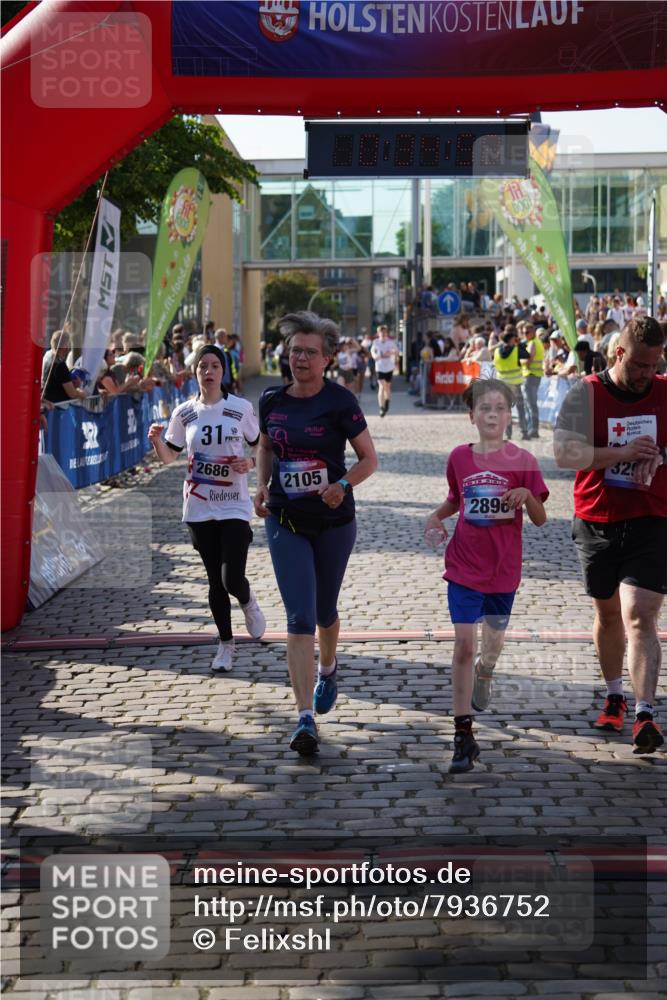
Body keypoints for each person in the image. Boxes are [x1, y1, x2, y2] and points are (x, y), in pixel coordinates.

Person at [254, 311, 378, 755]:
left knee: (325, 611)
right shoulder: (271, 399)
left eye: (309, 352)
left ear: (326, 359)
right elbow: (265, 446)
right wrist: (261, 485)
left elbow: (369, 459)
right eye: (294, 351)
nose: (300, 359)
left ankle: (329, 667)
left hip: (333, 521)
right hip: (285, 519)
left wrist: (342, 484)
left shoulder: (341, 401)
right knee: (299, 617)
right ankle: (304, 718)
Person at [554, 316, 666, 754]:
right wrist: (621, 453)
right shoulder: (586, 393)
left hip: (652, 517)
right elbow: (565, 453)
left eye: (655, 365)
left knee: (639, 613)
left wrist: (659, 456)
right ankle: (615, 693)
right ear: (619, 353)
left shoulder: (664, 390)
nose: (647, 374)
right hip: (597, 518)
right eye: (640, 365)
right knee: (608, 615)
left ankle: (645, 713)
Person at [425, 378, 548, 773]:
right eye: (484, 408)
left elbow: (541, 519)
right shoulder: (459, 458)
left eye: (499, 408)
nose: (492, 415)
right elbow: (455, 499)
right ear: (472, 416)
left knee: (491, 646)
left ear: (510, 415)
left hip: (502, 571)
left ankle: (487, 670)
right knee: (464, 645)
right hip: (463, 566)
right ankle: (463, 735)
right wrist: (435, 516)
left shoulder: (523, 460)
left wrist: (527, 496)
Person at [147, 344, 266, 674]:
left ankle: (247, 600)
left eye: (215, 365)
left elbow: (260, 445)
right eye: (203, 366)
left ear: (223, 371)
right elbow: (169, 456)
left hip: (234, 504)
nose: (209, 371)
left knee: (231, 579)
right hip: (199, 507)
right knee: (215, 580)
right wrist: (156, 441)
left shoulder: (240, 408)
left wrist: (250, 462)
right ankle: (225, 645)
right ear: (195, 372)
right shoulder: (184, 412)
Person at [493, 327, 529, 439]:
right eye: (514, 339)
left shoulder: (496, 351)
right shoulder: (516, 350)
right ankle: (524, 432)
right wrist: (519, 345)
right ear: (511, 340)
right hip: (515, 383)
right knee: (520, 408)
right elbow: (527, 355)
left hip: (502, 384)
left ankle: (508, 433)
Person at [42, 330, 88, 404]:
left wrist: (74, 385)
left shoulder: (47, 357)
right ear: (64, 346)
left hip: (48, 403)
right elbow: (72, 393)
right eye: (67, 344)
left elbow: (56, 383)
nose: (68, 348)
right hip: (58, 407)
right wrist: (82, 394)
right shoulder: (60, 364)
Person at [521, 322, 544, 438]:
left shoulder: (533, 343)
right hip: (534, 375)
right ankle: (532, 428)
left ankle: (533, 429)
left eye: (527, 332)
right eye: (523, 332)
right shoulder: (536, 342)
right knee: (530, 404)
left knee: (530, 404)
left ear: (533, 332)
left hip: (531, 375)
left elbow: (528, 361)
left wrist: (519, 361)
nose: (525, 335)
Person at [371, 324, 398, 417]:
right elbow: (372, 352)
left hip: (389, 367)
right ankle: (381, 408)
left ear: (386, 333)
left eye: (384, 332)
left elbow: (396, 351)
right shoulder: (375, 342)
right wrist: (375, 356)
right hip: (379, 367)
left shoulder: (390, 342)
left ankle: (387, 402)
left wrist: (390, 353)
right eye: (381, 332)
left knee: (387, 387)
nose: (383, 334)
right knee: (382, 386)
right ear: (378, 333)